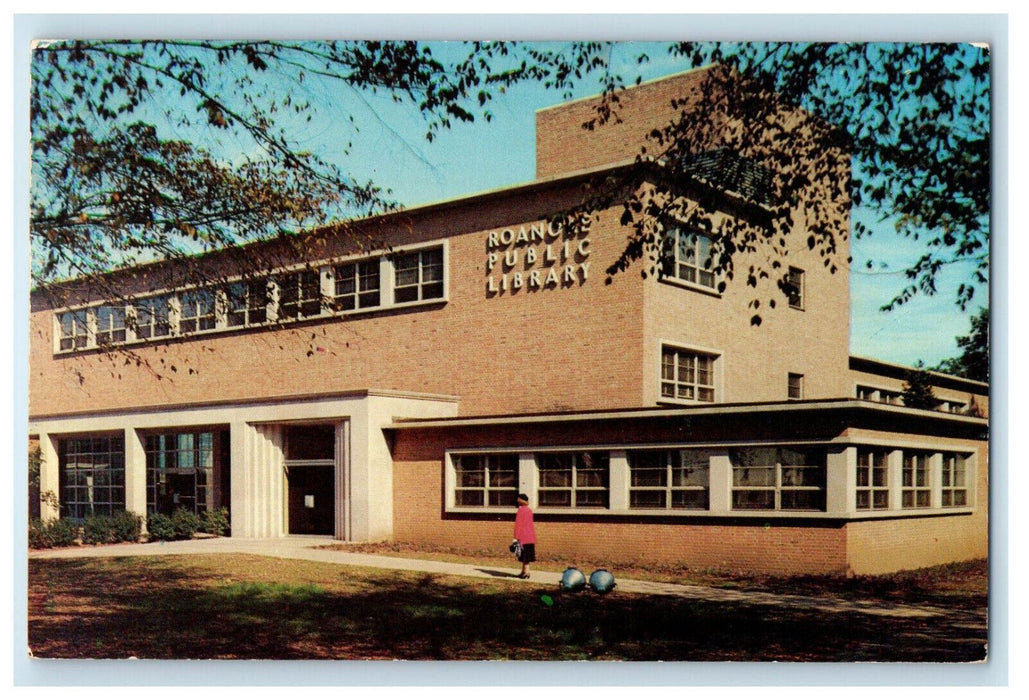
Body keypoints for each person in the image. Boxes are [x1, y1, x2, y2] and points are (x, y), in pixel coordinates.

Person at [513, 493, 536, 579]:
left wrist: (515, 537)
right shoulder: (529, 510)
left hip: (523, 537)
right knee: (527, 555)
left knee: (524, 555)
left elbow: (518, 525)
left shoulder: (521, 510)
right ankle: (523, 571)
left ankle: (526, 572)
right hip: (530, 536)